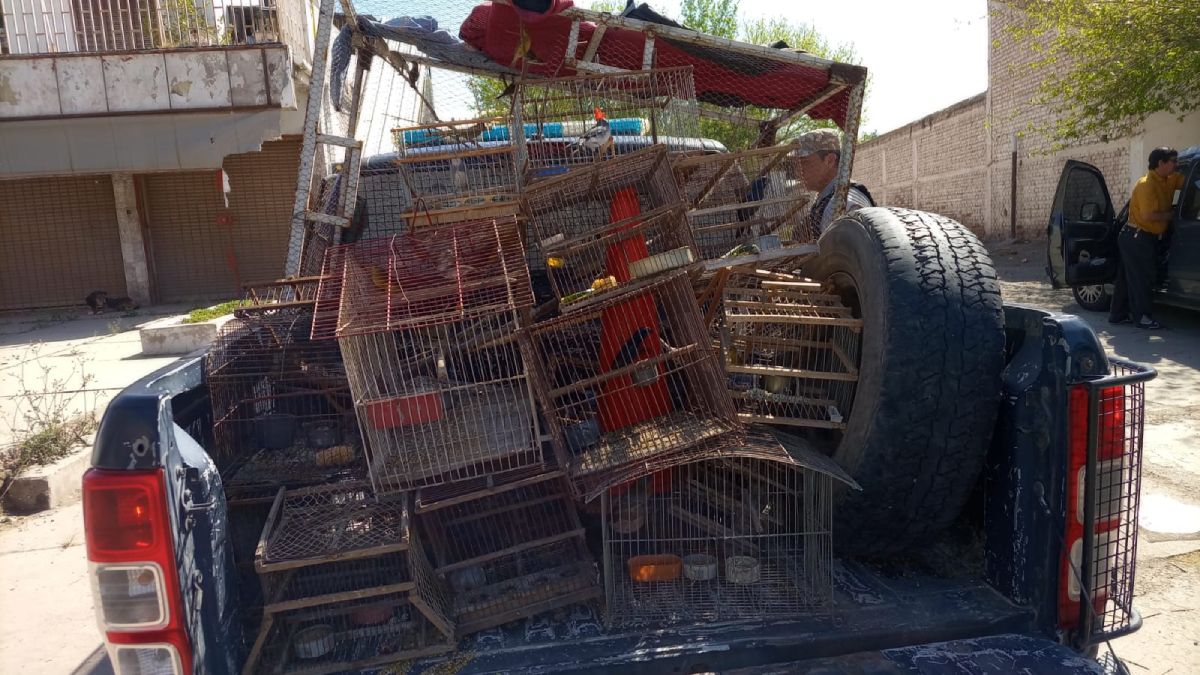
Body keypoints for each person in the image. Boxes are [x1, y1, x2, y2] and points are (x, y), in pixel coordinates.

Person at [1108, 147, 1186, 329]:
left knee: (1127, 278)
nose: (1176, 165)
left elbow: (1189, 183)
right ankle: (1142, 317)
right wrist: (1171, 215)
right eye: (1173, 161)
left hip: (1140, 237)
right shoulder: (1146, 185)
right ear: (1161, 163)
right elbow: (1148, 215)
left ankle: (1118, 315)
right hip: (1137, 237)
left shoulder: (1169, 179)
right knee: (1142, 278)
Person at [793, 128, 876, 240]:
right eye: (797, 165)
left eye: (804, 163)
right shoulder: (826, 199)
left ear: (830, 160)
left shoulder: (844, 202)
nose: (798, 171)